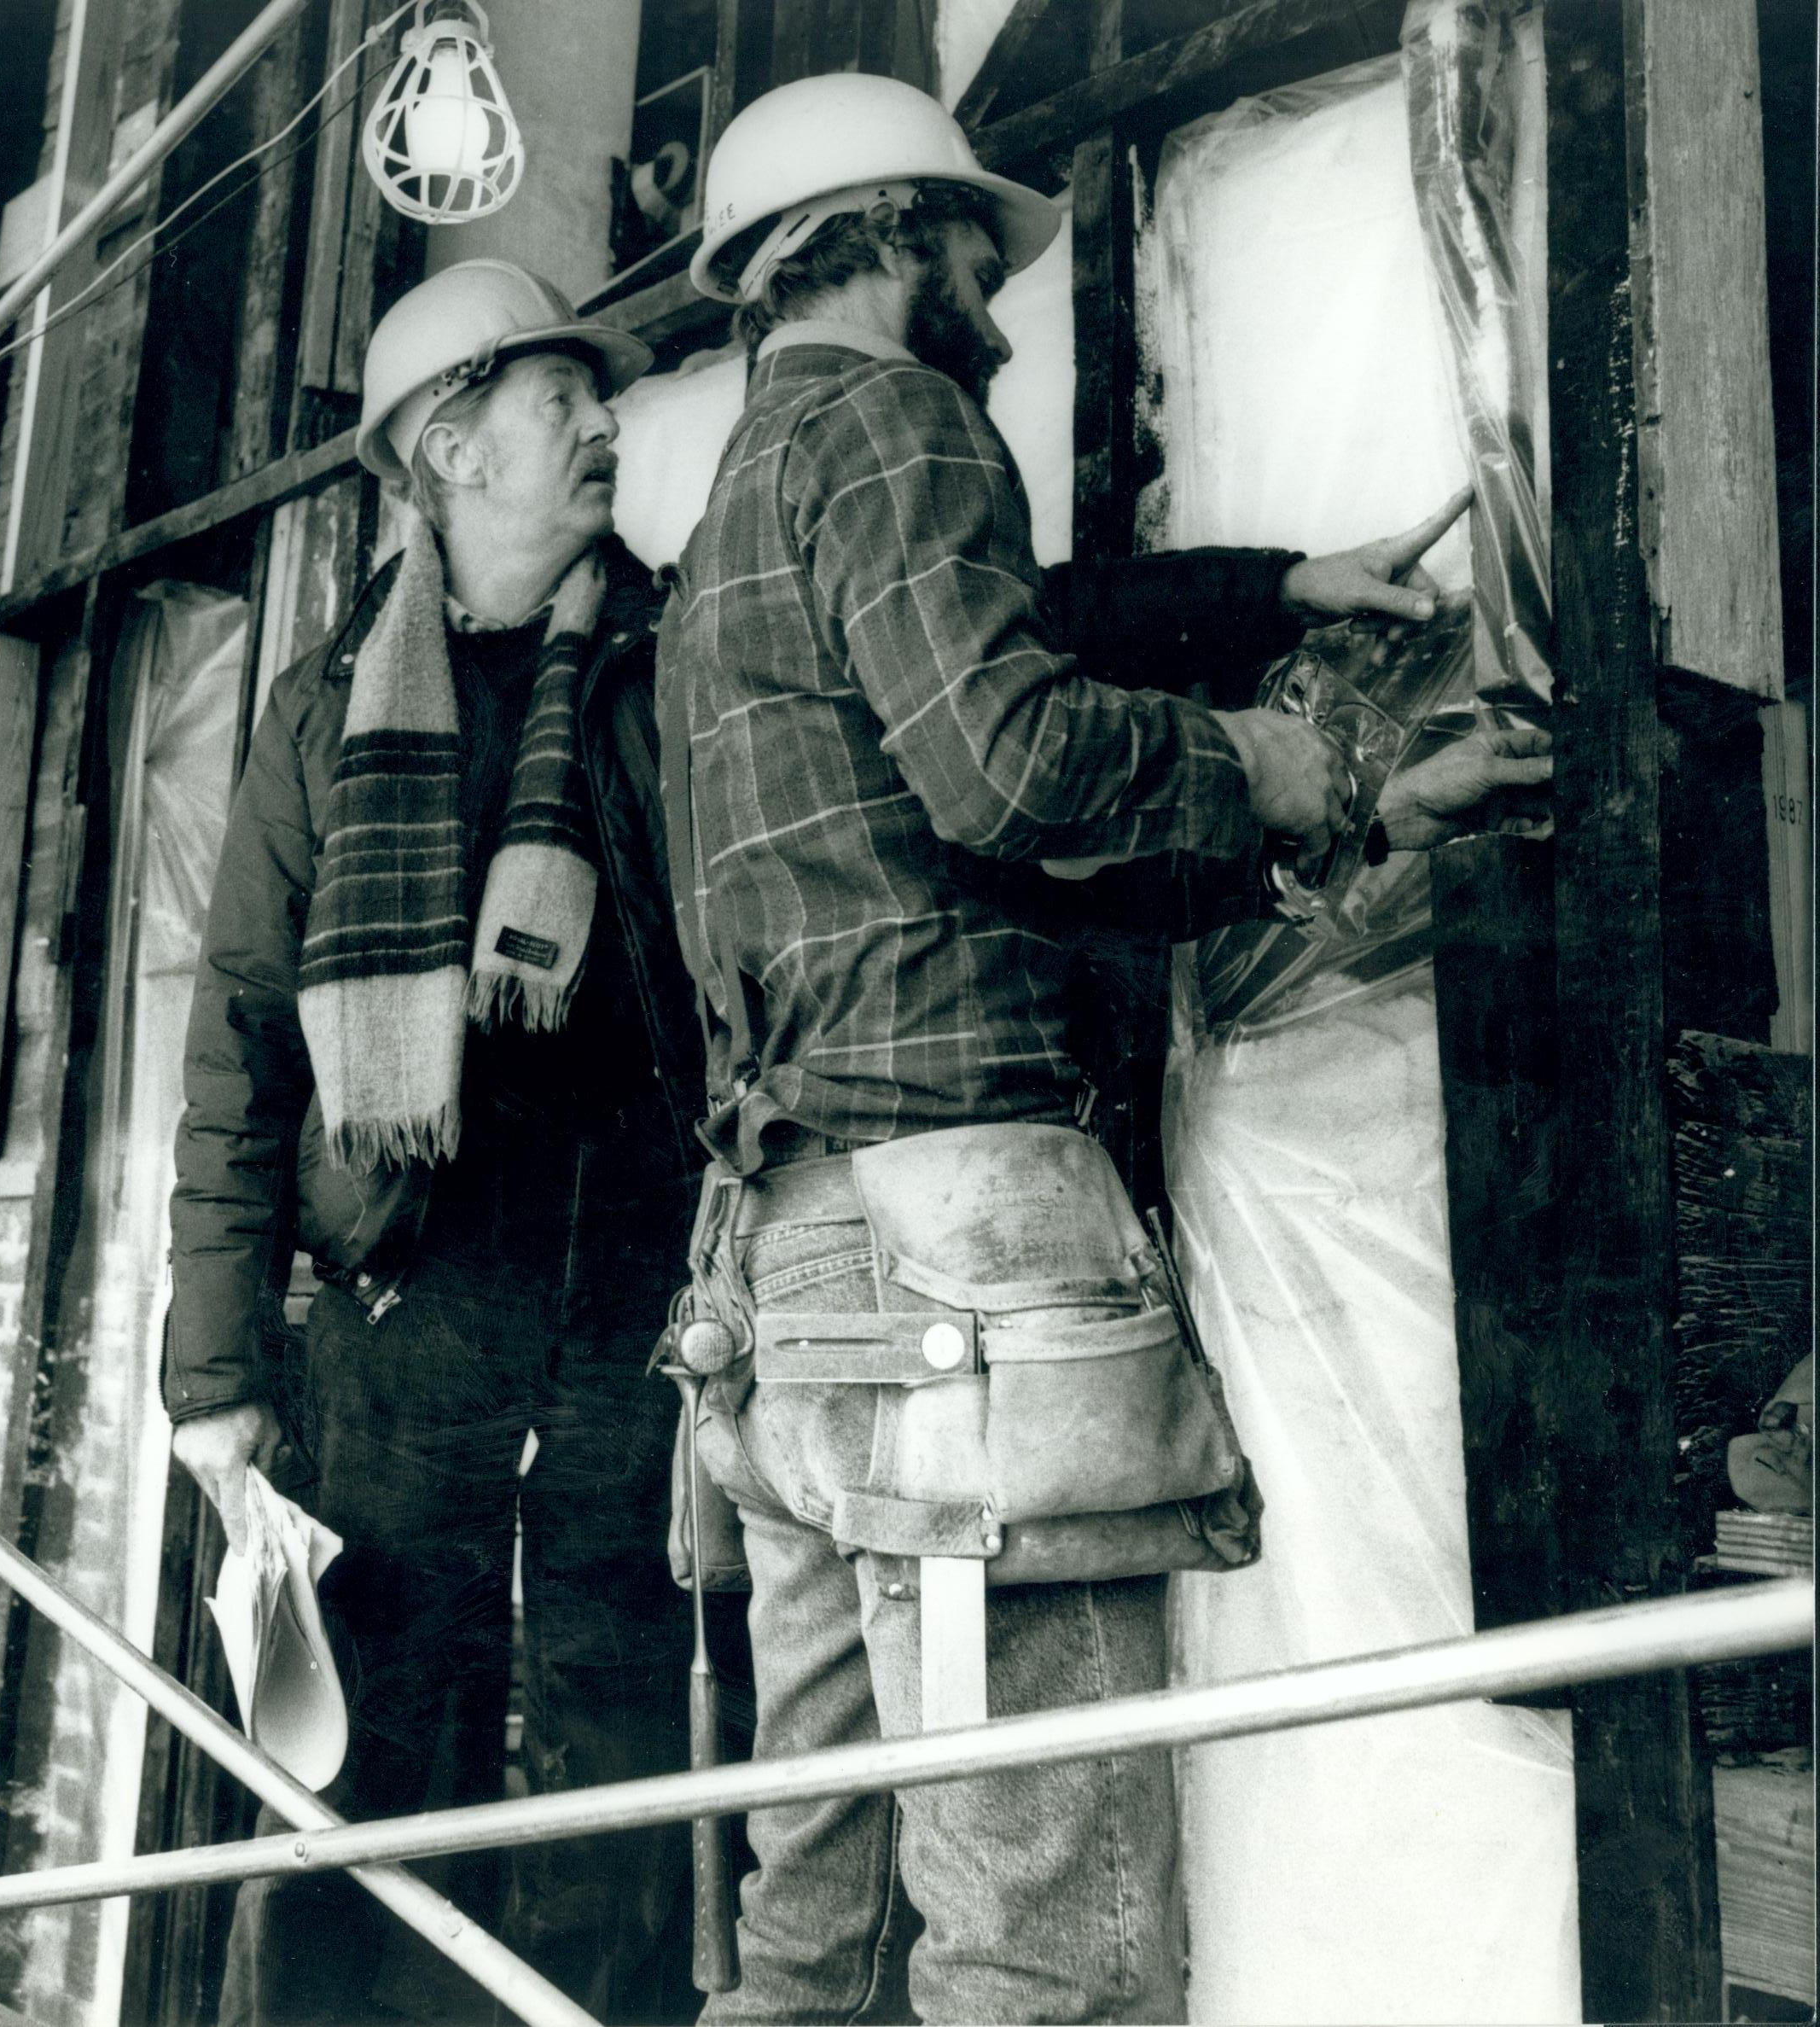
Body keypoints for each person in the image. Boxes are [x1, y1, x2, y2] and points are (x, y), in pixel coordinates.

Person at [658, 72, 1554, 2025]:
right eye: (975, 236)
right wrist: (1313, 765)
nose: (996, 276)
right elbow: (1006, 756)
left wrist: (1272, 595)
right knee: (1043, 1955)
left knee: (819, 1937)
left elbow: (999, 651)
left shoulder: (740, 501)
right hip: (964, 1296)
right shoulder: (906, 421)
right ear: (899, 235)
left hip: (793, 1281)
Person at [164, 259, 708, 2025]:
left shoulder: (684, 648)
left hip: (643, 1293)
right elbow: (240, 1047)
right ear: (453, 443)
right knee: (371, 1754)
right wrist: (217, 1375)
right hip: (414, 1304)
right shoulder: (329, 714)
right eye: (565, 400)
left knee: (633, 1740)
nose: (608, 420)